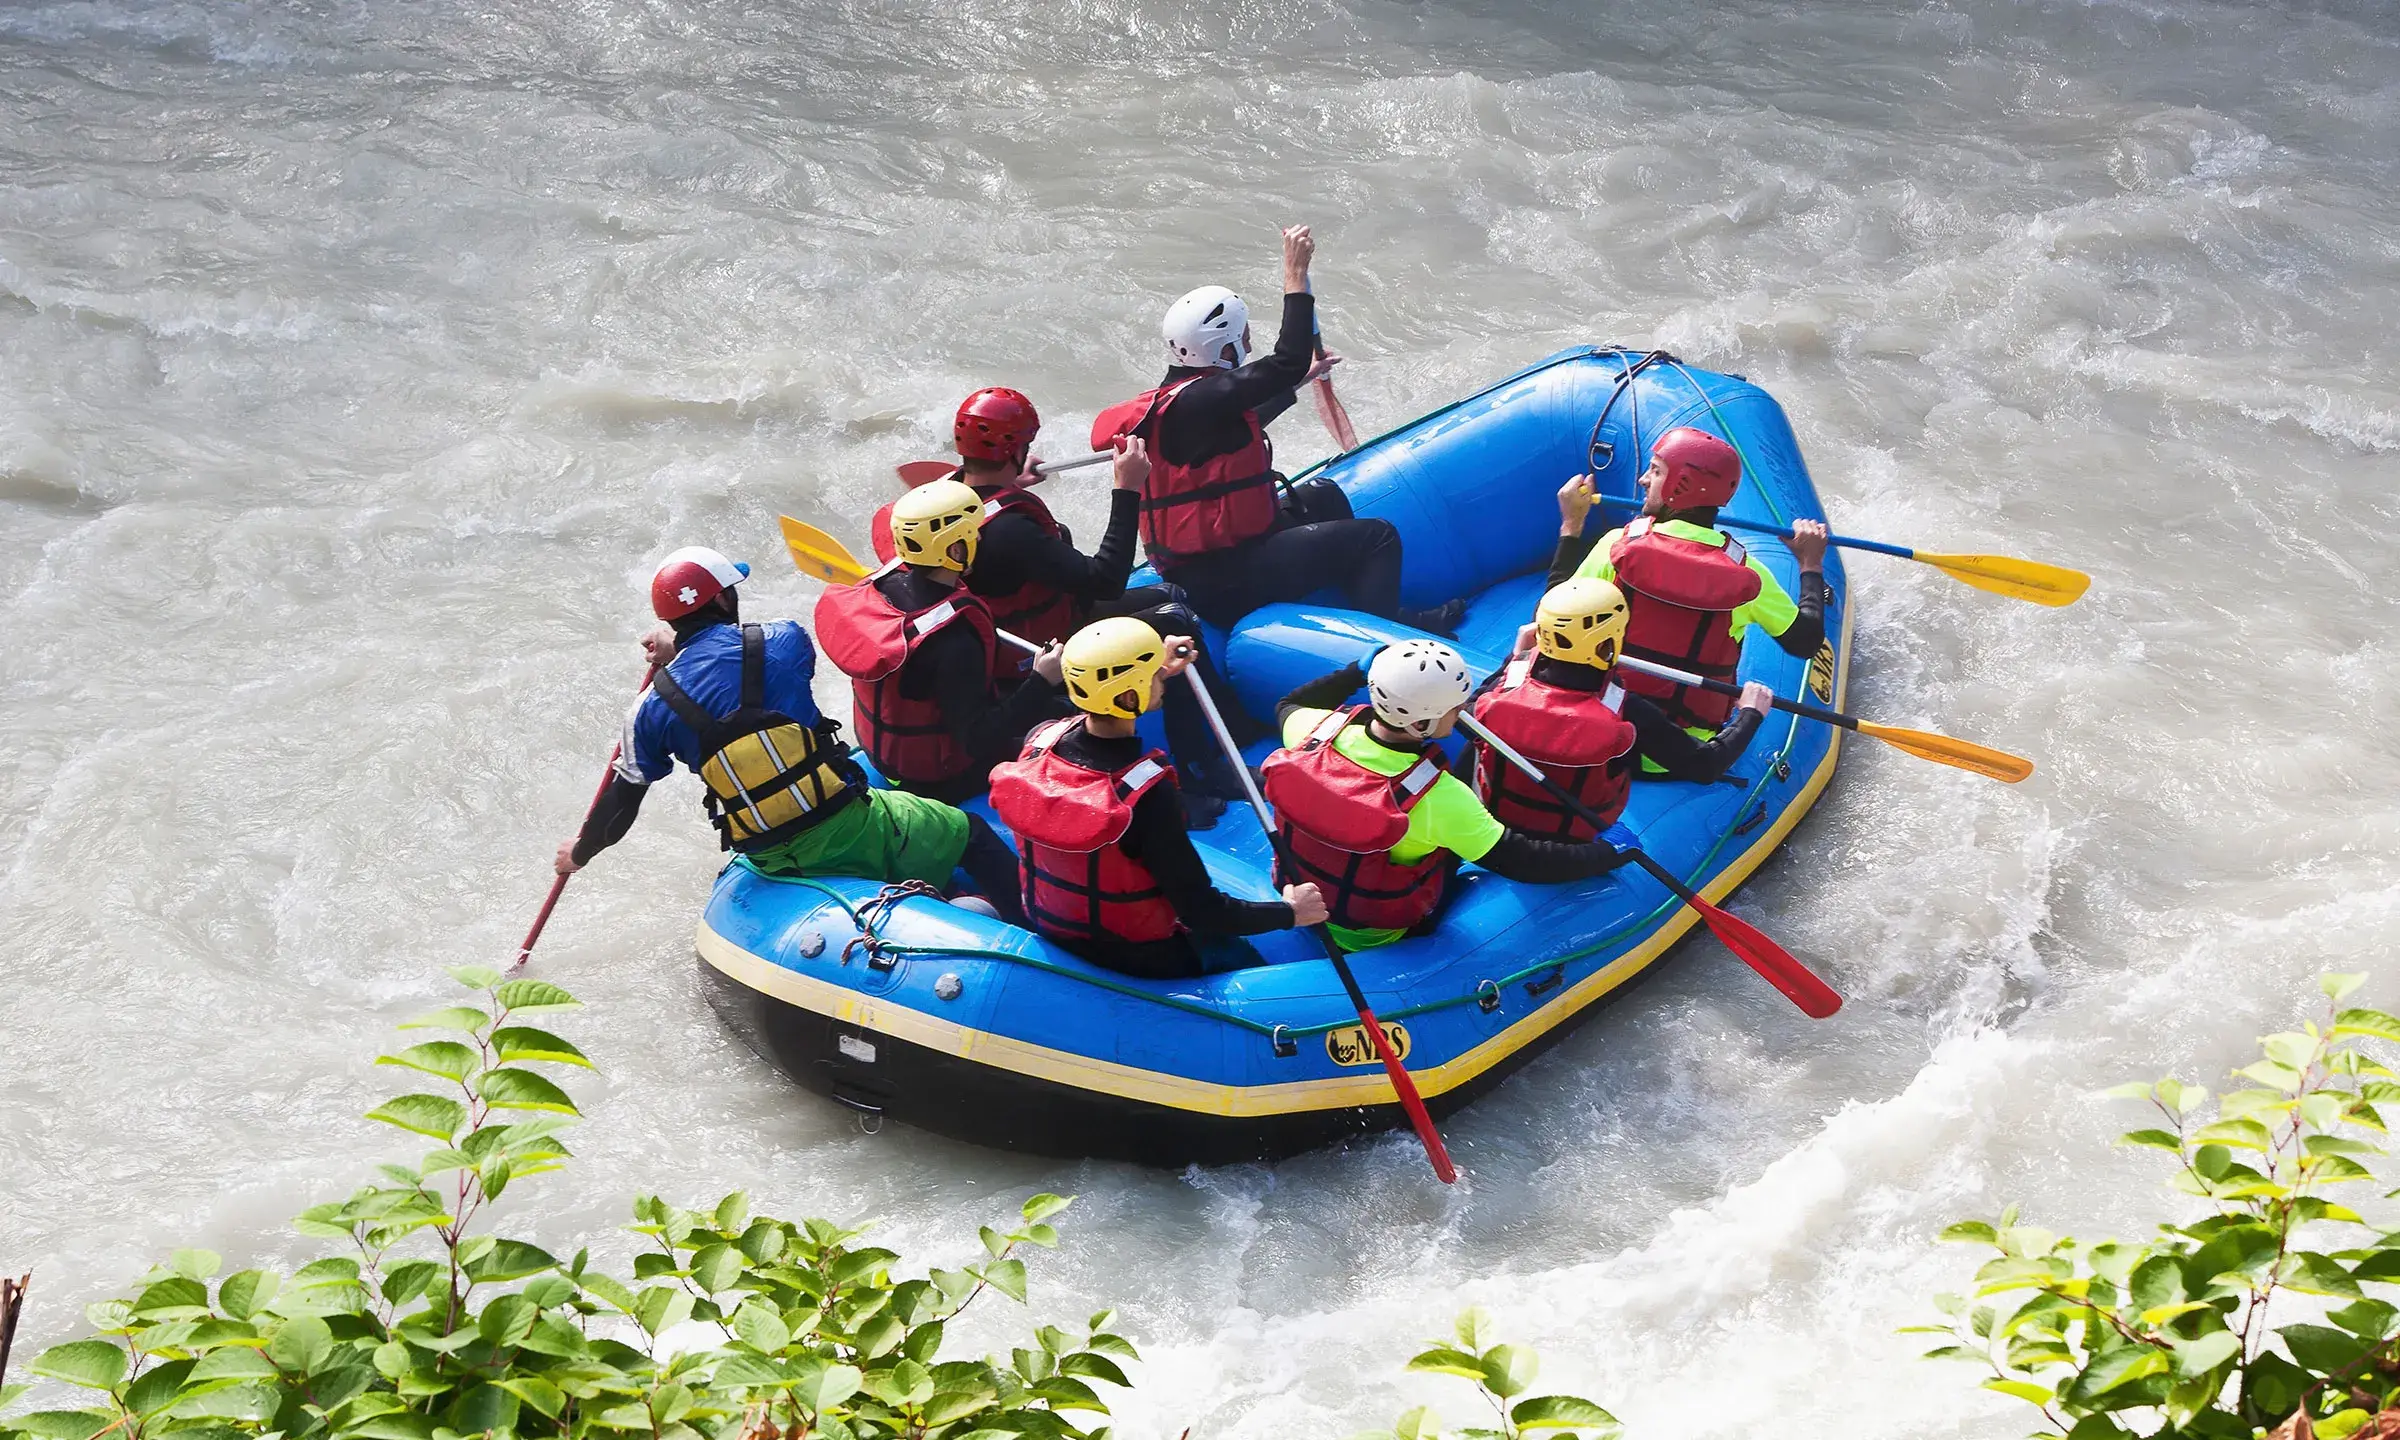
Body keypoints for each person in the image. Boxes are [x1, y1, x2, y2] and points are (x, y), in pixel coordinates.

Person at [554, 547, 1025, 922]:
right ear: (722, 599)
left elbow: (620, 806)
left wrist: (578, 853)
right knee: (974, 833)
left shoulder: (647, 710)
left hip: (769, 856)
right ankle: (1030, 932)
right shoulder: (783, 641)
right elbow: (741, 668)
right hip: (850, 825)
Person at [873, 387, 1258, 817]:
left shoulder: (944, 502)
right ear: (1016, 449)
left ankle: (1226, 729)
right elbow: (1105, 580)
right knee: (1176, 625)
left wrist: (1011, 480)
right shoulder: (1010, 533)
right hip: (1036, 657)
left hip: (1021, 631)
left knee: (1169, 596)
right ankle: (1202, 766)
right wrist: (1127, 488)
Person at [1090, 224, 1464, 636]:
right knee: (1377, 537)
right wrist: (1295, 276)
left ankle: (1357, 609)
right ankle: (1388, 633)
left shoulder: (1182, 400)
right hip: (1224, 579)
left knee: (1324, 496)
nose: (1247, 349)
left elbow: (1233, 432)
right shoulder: (1204, 398)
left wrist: (1302, 379)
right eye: (1243, 340)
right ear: (1222, 347)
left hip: (1217, 560)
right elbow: (1286, 359)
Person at [988, 618, 1328, 979]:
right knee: (1244, 961)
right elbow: (1203, 911)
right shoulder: (1147, 798)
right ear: (1131, 692)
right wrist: (1290, 912)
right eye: (1153, 675)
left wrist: (1153, 666)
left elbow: (1107, 699)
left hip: (1055, 929)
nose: (1161, 680)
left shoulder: (1038, 742)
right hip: (1141, 955)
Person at [1261, 640, 1631, 953]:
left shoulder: (1310, 732)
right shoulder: (1441, 797)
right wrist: (1606, 854)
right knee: (1459, 845)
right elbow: (1524, 861)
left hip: (1301, 899)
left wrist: (1356, 671)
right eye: (1456, 708)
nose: (1461, 713)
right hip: (1377, 934)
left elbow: (1287, 704)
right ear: (1421, 725)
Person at [1548, 429, 1828, 757]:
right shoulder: (1749, 574)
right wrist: (1810, 564)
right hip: (1681, 754)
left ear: (1680, 484)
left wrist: (1572, 525)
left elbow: (1552, 615)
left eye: (1655, 470)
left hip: (1600, 739)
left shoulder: (1616, 546)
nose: (1642, 479)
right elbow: (1806, 641)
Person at [815, 479, 1068, 803]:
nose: (980, 537)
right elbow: (978, 739)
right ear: (955, 549)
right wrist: (1041, 680)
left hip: (882, 753)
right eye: (973, 533)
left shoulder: (884, 589)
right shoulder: (955, 642)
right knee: (1064, 715)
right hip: (942, 778)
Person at [1469, 577, 1775, 841]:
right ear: (1613, 638)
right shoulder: (1626, 711)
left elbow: (1470, 709)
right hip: (1578, 841)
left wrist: (1514, 659)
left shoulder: (1500, 691)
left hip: (1499, 826)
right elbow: (1706, 766)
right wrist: (1751, 714)